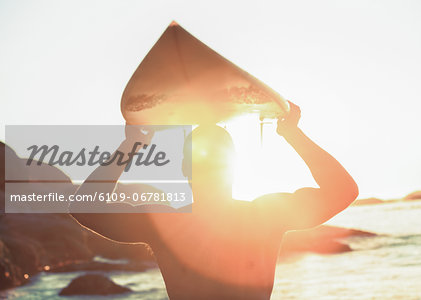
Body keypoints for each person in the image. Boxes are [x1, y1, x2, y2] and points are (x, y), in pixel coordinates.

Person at [71, 101, 358, 300]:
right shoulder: (264, 217)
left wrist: (131, 145)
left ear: (183, 168)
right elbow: (343, 191)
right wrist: (291, 133)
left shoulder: (165, 224)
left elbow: (84, 207)